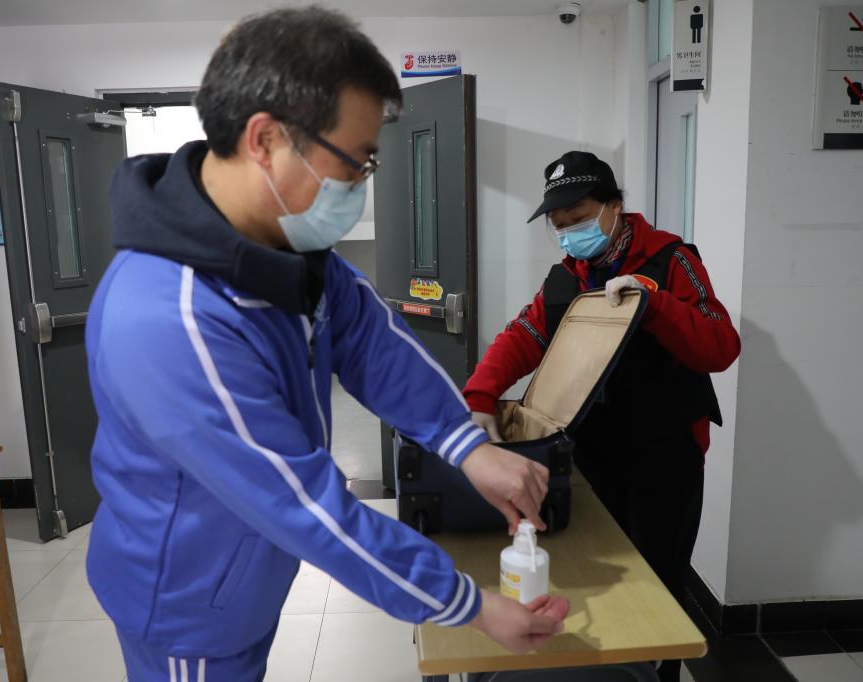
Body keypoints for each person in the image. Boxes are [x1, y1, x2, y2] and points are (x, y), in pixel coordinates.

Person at [85, 8, 567, 680]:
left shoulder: (279, 245)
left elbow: (374, 343)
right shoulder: (169, 318)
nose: (359, 184)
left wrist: (469, 448)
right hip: (188, 606)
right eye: (355, 162)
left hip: (243, 570)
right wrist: (469, 605)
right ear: (265, 139)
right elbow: (304, 504)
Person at [464, 151, 740, 682]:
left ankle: (659, 674)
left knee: (659, 583)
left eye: (580, 218)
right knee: (599, 577)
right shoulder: (566, 279)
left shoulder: (672, 260)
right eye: (559, 225)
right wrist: (479, 396)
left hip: (666, 455)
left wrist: (654, 303)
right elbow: (524, 336)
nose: (570, 233)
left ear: (614, 207)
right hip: (592, 454)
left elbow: (721, 346)